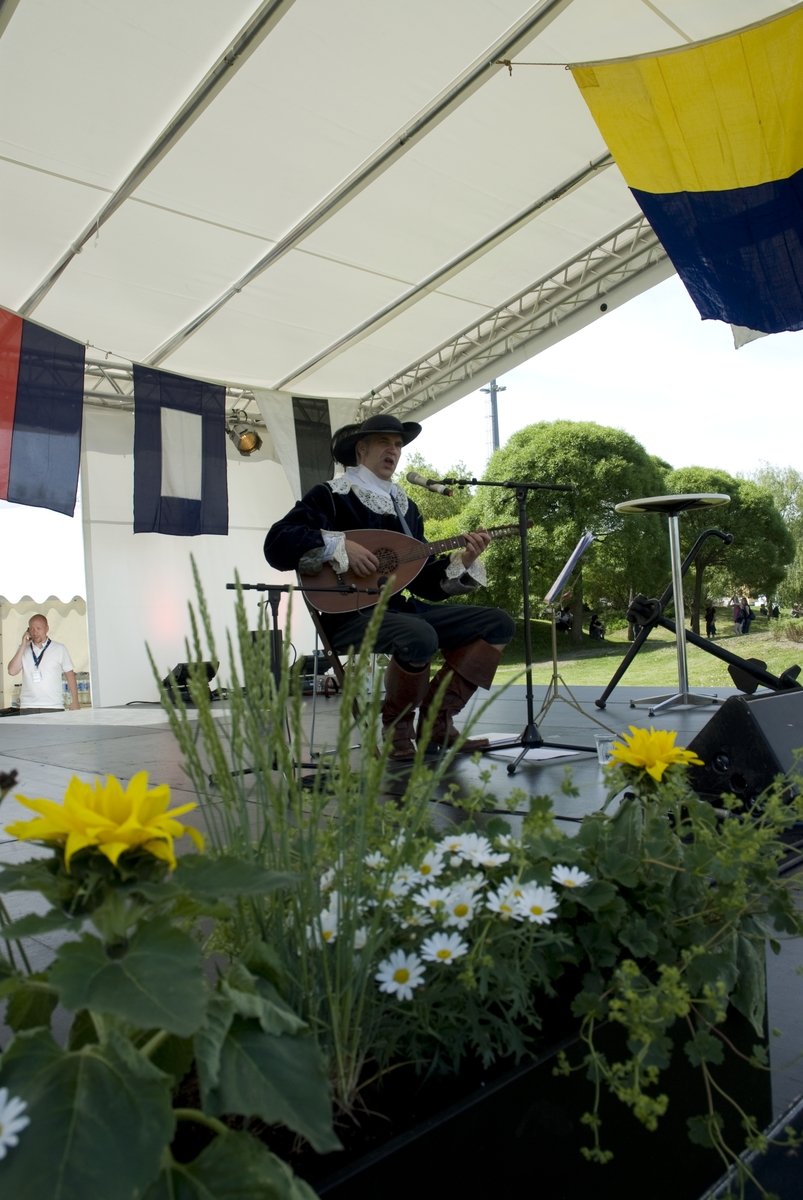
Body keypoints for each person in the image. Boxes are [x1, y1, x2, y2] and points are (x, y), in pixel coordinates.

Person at [264, 415, 515, 758]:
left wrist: (465, 559)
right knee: (419, 635)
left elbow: (424, 582)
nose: (393, 450)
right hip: (349, 614)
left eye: (398, 444)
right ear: (361, 449)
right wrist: (340, 545)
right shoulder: (332, 496)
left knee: (498, 623)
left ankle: (436, 723)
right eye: (384, 442)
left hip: (401, 611)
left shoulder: (406, 508)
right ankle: (397, 729)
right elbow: (277, 543)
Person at [7, 614, 80, 713]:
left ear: (46, 629)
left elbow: (70, 674)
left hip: (53, 705)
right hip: (28, 705)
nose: (35, 632)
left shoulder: (59, 648)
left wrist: (75, 701)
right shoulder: (23, 649)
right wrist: (23, 645)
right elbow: (12, 671)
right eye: (32, 629)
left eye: (38, 628)